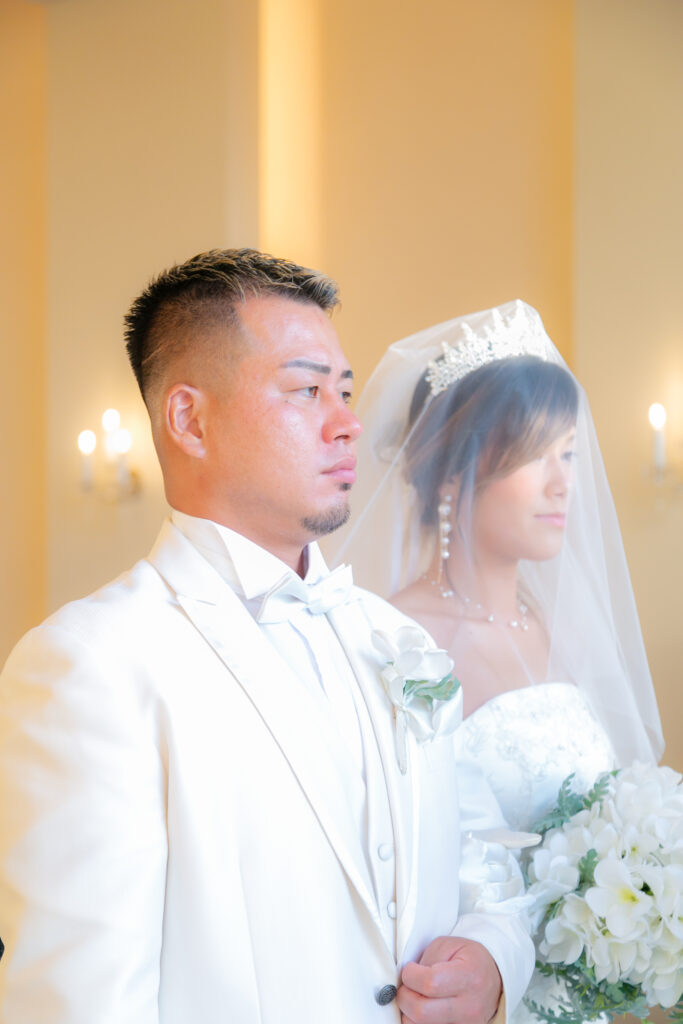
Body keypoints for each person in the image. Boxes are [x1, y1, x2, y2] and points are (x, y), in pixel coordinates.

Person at [0, 251, 534, 1024]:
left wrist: (491, 962)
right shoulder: (90, 663)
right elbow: (79, 1004)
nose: (347, 422)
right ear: (189, 420)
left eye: (343, 391)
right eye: (306, 390)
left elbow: (483, 861)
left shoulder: (394, 638)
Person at [326, 300, 665, 1020]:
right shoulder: (395, 642)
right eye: (536, 454)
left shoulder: (560, 628)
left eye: (569, 454)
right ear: (454, 471)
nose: (562, 483)